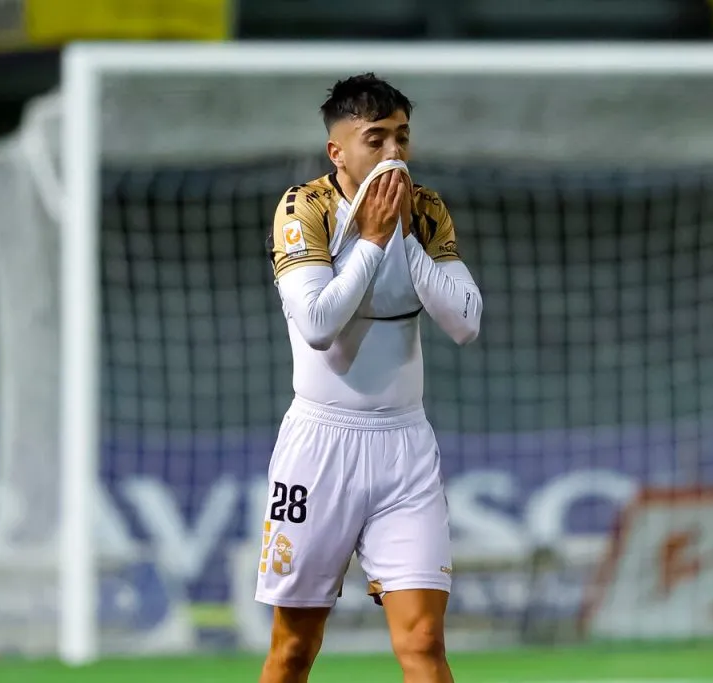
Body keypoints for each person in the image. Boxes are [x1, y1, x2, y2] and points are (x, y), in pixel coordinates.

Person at [257, 73, 483, 683]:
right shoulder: (304, 208)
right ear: (338, 151)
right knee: (294, 648)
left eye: (402, 138)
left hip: (405, 448)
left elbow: (465, 323)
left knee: (425, 642)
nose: (393, 154)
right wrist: (374, 241)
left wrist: (404, 236)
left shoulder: (426, 210)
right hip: (320, 447)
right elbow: (317, 324)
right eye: (375, 139)